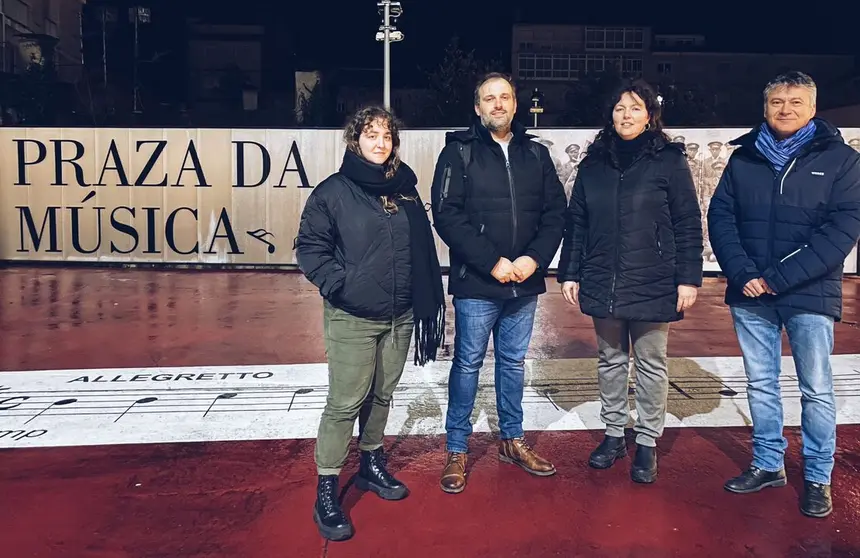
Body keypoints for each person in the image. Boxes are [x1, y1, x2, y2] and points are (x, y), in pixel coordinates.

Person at [708, 71, 860, 518]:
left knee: (816, 389)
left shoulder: (840, 160)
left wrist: (779, 277)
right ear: (765, 106)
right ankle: (768, 463)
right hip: (751, 292)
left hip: (810, 294)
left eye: (795, 102)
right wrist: (742, 272)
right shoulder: (745, 158)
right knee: (761, 384)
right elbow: (721, 218)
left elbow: (843, 229)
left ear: (813, 108)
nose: (785, 109)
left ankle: (817, 476)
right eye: (777, 101)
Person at [295, 106, 446, 539]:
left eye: (387, 135)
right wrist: (342, 287)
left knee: (382, 395)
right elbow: (310, 248)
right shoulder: (333, 192)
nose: (380, 142)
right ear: (354, 140)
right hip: (353, 317)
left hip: (400, 315)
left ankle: (370, 464)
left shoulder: (406, 190)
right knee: (345, 402)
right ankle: (327, 486)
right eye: (371, 134)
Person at [557, 78, 703, 484]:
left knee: (652, 362)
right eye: (620, 108)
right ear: (610, 114)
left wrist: (688, 278)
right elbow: (578, 221)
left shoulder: (668, 160)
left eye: (635, 108)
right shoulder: (594, 163)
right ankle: (614, 433)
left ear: (650, 115)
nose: (626, 115)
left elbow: (688, 220)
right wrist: (571, 270)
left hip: (654, 278)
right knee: (610, 360)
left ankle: (649, 441)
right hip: (603, 276)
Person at [430, 72, 567, 494]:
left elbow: (555, 213)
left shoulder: (536, 155)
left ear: (514, 103)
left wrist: (533, 259)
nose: (497, 104)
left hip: (523, 282)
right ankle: (457, 448)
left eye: (504, 97)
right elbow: (446, 214)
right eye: (489, 99)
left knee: (513, 364)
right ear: (477, 107)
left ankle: (512, 439)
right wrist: (492, 262)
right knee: (468, 364)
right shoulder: (458, 152)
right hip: (478, 283)